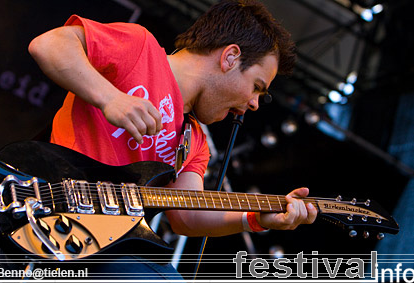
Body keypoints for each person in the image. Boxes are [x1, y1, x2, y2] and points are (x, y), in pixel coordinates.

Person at [28, 0, 317, 279]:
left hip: (101, 247)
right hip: (46, 209)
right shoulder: (141, 49)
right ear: (230, 57)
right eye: (256, 86)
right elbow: (48, 45)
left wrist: (255, 218)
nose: (254, 103)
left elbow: (187, 217)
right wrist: (111, 98)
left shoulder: (195, 142)